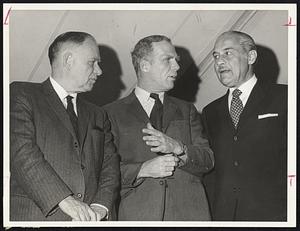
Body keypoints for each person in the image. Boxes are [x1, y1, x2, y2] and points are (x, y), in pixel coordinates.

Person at [10, 31, 120, 221]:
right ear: (68, 60)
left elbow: (110, 165)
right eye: (92, 62)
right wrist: (65, 200)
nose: (99, 71)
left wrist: (100, 206)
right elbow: (22, 152)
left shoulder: (98, 114)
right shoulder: (22, 94)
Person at [104, 35, 214, 221]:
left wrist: (179, 148)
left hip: (190, 217)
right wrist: (143, 169)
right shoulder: (109, 113)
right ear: (145, 65)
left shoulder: (187, 109)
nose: (177, 67)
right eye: (167, 60)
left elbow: (208, 160)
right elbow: (102, 172)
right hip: (138, 217)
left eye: (176, 60)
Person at [202, 31, 287, 221]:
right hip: (225, 217)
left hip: (275, 215)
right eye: (216, 56)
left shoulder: (285, 97)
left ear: (251, 56)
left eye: (227, 53)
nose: (219, 62)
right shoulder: (209, 112)